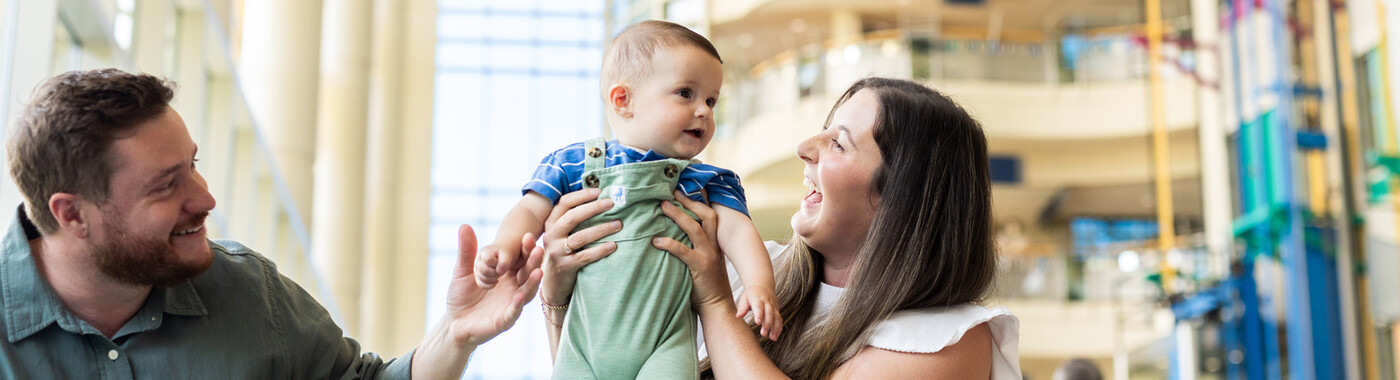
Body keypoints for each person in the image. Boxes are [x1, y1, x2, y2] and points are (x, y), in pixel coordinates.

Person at [0, 68, 543, 379]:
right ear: (72, 214)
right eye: (166, 185)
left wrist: (455, 333)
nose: (205, 198)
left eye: (193, 164)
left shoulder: (248, 291)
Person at [538, 77, 1023, 378]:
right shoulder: (750, 273)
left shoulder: (949, 340)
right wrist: (559, 298)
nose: (804, 148)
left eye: (838, 143)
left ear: (902, 195)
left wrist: (714, 302)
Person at [472, 20, 779, 379]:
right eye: (686, 93)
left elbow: (739, 231)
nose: (704, 111)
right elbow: (530, 209)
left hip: (666, 344)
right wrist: (504, 247)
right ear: (623, 100)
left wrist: (759, 284)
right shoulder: (573, 163)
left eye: (711, 100)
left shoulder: (705, 180)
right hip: (582, 347)